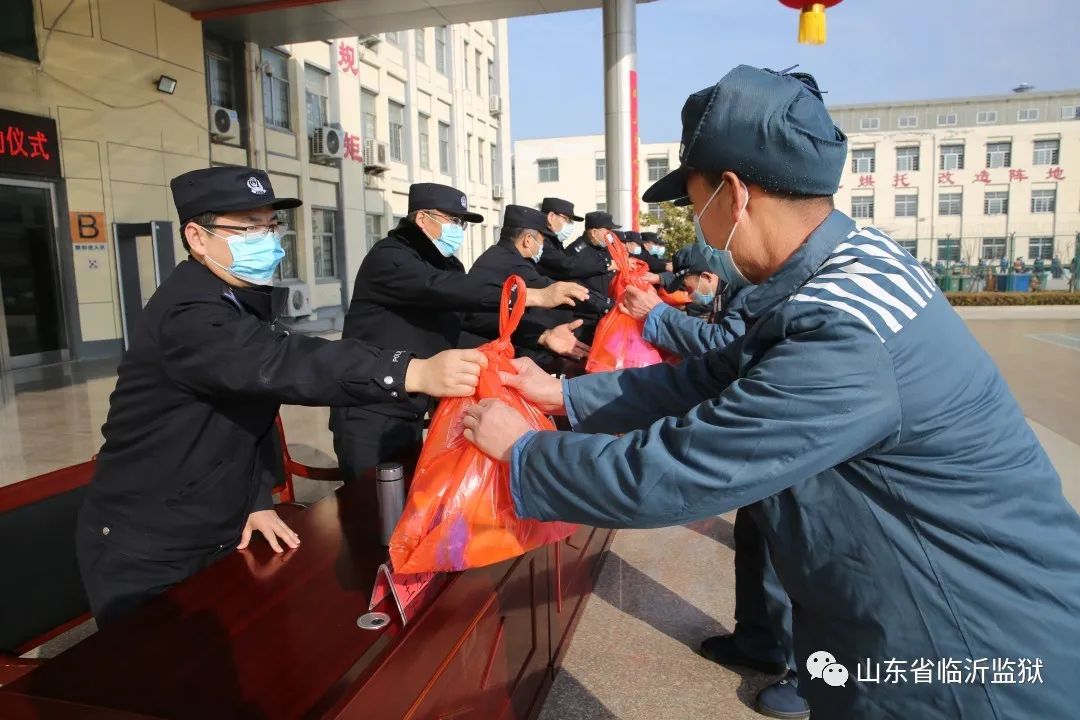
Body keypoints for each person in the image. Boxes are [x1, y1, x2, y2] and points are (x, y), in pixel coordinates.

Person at [461, 65, 1080, 719]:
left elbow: (683, 468)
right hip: (907, 620)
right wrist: (565, 398)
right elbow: (718, 372)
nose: (697, 224)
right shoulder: (847, 266)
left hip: (960, 660)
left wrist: (525, 451)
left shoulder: (842, 330)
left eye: (694, 203)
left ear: (732, 193)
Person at [76, 168, 487, 627]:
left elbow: (238, 416)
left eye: (270, 225)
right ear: (197, 236)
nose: (267, 238)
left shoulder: (236, 298)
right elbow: (286, 363)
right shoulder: (189, 313)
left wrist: (254, 501)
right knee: (161, 681)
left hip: (213, 525)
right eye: (248, 226)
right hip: (149, 543)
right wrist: (409, 370)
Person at [621, 247, 805, 718]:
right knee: (757, 537)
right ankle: (760, 640)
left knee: (797, 549)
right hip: (763, 432)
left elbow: (723, 346)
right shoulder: (748, 283)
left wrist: (659, 315)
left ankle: (815, 677)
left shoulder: (785, 283)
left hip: (793, 434)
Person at [331, 183, 587, 481]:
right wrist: (533, 295)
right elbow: (442, 288)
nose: (459, 229)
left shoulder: (446, 263)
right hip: (368, 407)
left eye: (462, 222)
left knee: (406, 501)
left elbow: (469, 318)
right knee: (371, 505)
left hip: (409, 405)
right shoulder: (391, 257)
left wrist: (541, 335)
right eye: (453, 220)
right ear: (422, 218)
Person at [460, 205, 592, 367]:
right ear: (528, 240)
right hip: (485, 351)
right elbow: (550, 290)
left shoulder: (501, 255)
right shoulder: (512, 264)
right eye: (542, 241)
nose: (542, 247)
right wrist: (605, 306)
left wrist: (544, 335)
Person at [564, 211, 621, 343]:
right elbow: (575, 286)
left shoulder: (603, 248)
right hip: (585, 319)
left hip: (606, 314)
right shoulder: (575, 252)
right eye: (608, 231)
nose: (611, 236)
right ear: (594, 232)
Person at [535, 197, 613, 284]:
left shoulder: (554, 242)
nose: (570, 225)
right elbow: (567, 266)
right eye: (567, 220)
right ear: (551, 217)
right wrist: (607, 264)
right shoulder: (540, 241)